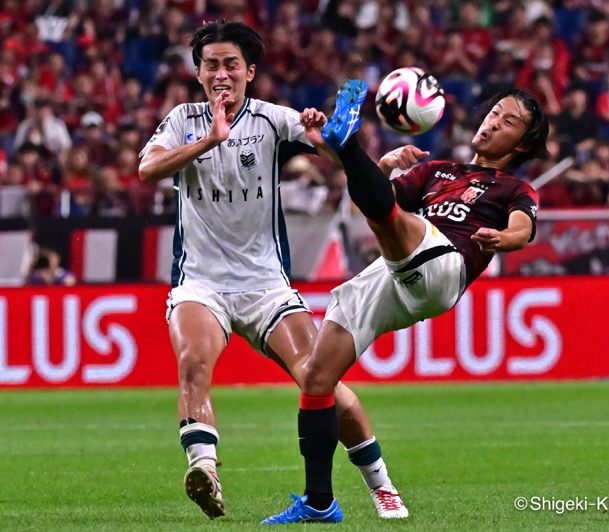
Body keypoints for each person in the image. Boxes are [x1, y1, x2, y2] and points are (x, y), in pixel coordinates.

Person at [138, 20, 407, 521]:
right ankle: (205, 470)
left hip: (265, 286)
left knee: (315, 378)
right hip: (200, 282)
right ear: (198, 73)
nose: (222, 73)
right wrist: (209, 140)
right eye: (211, 64)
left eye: (231, 64)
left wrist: (327, 131)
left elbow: (330, 151)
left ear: (249, 71)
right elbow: (147, 169)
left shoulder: (269, 119)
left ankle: (382, 486)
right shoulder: (182, 120)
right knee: (194, 361)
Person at [263, 81, 549, 524]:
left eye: (508, 121)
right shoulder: (435, 171)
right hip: (390, 272)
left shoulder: (513, 189)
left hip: (444, 267)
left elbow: (523, 230)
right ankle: (320, 501)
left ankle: (346, 141)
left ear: (524, 143)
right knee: (318, 379)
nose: (493, 121)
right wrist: (381, 166)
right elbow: (369, 208)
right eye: (494, 112)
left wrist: (502, 239)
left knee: (402, 227)